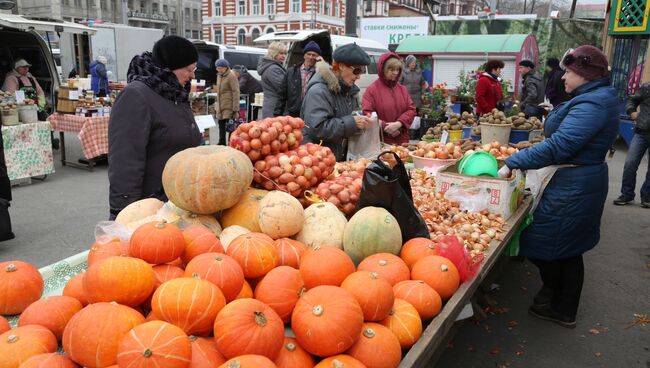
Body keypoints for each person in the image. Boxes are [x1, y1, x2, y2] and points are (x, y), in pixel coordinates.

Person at [499, 46, 618, 328]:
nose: (563, 77)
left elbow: (562, 145)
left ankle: (563, 309)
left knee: (555, 246)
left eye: (569, 71)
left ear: (585, 74)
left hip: (574, 186)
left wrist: (516, 160)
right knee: (566, 247)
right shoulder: (593, 97)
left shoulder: (592, 104)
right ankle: (557, 296)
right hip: (575, 180)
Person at [108, 36, 203, 220]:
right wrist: (123, 211)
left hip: (176, 202)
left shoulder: (174, 93)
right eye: (189, 69)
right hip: (150, 206)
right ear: (171, 67)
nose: (193, 76)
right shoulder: (135, 96)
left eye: (194, 69)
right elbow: (124, 160)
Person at [301, 43, 373, 162]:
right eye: (357, 70)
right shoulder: (319, 91)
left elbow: (347, 118)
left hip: (337, 157)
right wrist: (353, 123)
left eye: (362, 71)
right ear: (341, 66)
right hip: (319, 160)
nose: (359, 76)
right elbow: (317, 128)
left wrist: (361, 121)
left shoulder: (348, 90)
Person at [362, 52, 416, 146]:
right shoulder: (372, 90)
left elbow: (411, 109)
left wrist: (399, 124)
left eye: (397, 69)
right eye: (391, 69)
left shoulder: (402, 89)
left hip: (402, 142)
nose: (395, 72)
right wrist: (386, 127)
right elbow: (368, 114)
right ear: (383, 69)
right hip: (381, 142)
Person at [613, 83, 650, 208]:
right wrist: (632, 112)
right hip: (641, 132)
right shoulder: (647, 87)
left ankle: (647, 196)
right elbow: (632, 100)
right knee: (630, 163)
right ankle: (627, 194)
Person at [285, 40, 321, 117]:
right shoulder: (291, 72)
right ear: (304, 55)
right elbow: (282, 95)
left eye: (314, 55)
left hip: (311, 113)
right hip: (293, 113)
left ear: (318, 57)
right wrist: (277, 115)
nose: (311, 57)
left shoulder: (320, 74)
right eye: (308, 54)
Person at [214, 59, 240, 146]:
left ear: (225, 67)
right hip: (220, 105)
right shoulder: (219, 75)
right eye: (217, 68)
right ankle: (221, 142)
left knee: (230, 125)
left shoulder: (231, 76)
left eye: (220, 68)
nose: (218, 70)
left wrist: (235, 108)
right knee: (221, 124)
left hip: (229, 104)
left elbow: (236, 92)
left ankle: (230, 142)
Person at [258, 42, 287, 118]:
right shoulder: (273, 69)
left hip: (271, 106)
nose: (284, 56)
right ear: (274, 53)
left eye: (285, 53)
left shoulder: (271, 66)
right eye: (281, 53)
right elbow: (283, 88)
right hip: (274, 108)